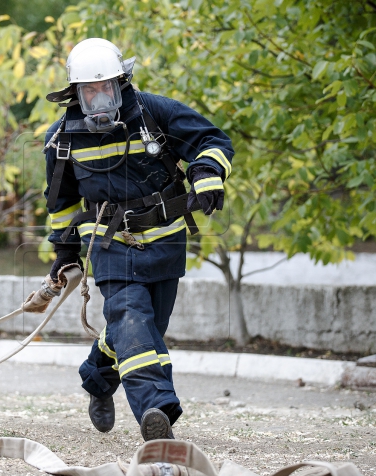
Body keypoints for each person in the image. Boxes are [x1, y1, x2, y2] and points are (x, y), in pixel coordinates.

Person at [43, 38, 234, 441]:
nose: (98, 98)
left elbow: (212, 140)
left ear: (122, 83)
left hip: (166, 240)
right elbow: (61, 204)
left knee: (143, 327)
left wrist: (206, 173)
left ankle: (97, 379)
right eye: (89, 90)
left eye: (106, 87)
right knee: (131, 320)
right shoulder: (60, 139)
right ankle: (156, 410)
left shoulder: (154, 112)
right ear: (75, 92)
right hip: (110, 245)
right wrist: (65, 252)